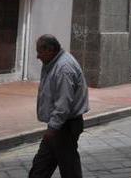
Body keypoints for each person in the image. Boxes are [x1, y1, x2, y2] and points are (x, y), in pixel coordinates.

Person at [29, 35, 89, 178]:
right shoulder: (54, 63)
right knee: (41, 166)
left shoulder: (63, 68)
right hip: (60, 125)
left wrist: (53, 127)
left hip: (64, 126)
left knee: (68, 167)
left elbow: (63, 103)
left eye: (39, 52)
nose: (37, 56)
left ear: (50, 50)